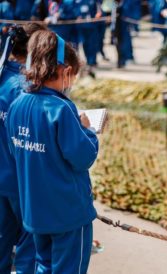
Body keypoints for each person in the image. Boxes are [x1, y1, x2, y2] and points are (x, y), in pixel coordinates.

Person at [6, 30, 99, 273]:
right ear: (66, 71)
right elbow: (83, 157)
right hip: (68, 213)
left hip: (35, 210)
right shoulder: (61, 109)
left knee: (43, 265)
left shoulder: (18, 104)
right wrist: (87, 130)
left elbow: (16, 153)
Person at [0, 23, 45, 274]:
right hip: (22, 181)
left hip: (2, 177)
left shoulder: (3, 74)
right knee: (30, 246)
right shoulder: (25, 86)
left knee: (3, 241)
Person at [76, 0, 102, 76]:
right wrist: (78, 17)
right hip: (82, 27)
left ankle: (92, 61)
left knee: (92, 44)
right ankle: (88, 60)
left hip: (92, 27)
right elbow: (75, 11)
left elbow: (99, 11)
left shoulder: (93, 1)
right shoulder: (78, 1)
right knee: (85, 44)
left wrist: (97, 16)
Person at [111, 0, 134, 68]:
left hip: (123, 29)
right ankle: (119, 61)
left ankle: (123, 61)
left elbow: (128, 16)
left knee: (123, 45)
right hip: (115, 29)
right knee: (117, 45)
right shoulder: (114, 5)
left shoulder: (125, 4)